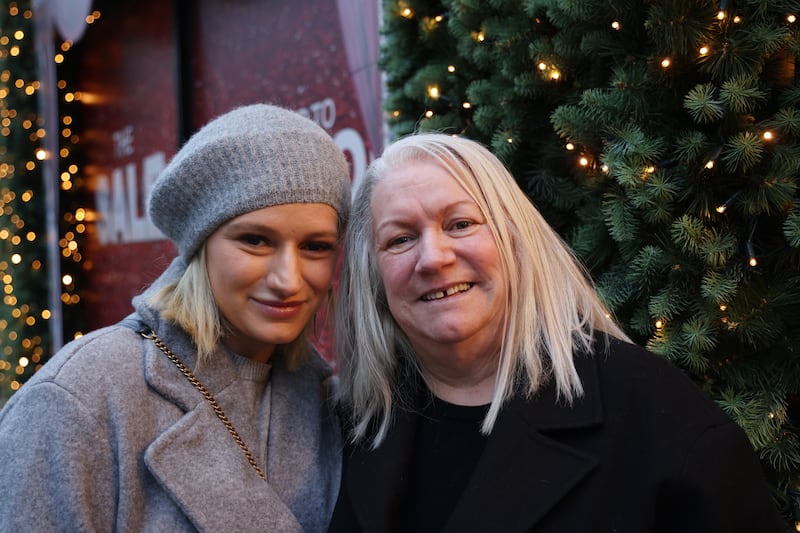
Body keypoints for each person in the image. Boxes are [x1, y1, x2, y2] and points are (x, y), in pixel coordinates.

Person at [328, 132, 785, 532]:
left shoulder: (652, 408)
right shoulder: (351, 426)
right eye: (400, 239)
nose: (433, 258)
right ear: (374, 275)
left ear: (514, 239)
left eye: (461, 224)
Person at [0, 104, 350, 532]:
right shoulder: (78, 398)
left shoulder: (326, 403)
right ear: (200, 245)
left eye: (315, 246)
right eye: (256, 240)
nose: (288, 279)